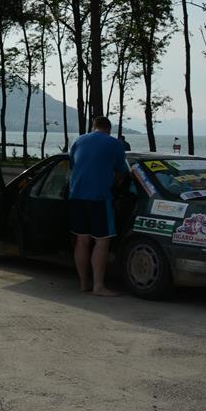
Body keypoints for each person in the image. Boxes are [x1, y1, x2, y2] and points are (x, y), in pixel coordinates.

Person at [68, 115, 128, 296]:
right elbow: (122, 172)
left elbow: (73, 166)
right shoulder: (115, 144)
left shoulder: (79, 140)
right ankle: (99, 286)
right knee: (102, 241)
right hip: (99, 198)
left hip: (76, 196)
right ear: (109, 129)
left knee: (82, 240)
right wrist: (112, 183)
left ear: (93, 127)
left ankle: (83, 283)